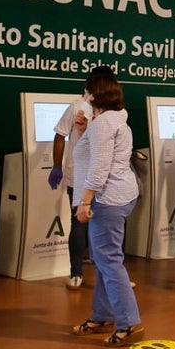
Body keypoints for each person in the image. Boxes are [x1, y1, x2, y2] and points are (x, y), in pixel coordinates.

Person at [70, 72, 143, 346]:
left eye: (86, 92)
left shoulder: (102, 125)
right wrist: (82, 131)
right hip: (121, 196)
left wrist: (86, 201)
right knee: (103, 260)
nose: (84, 97)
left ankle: (129, 323)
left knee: (109, 262)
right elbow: (95, 156)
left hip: (106, 200)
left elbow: (99, 168)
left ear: (93, 94)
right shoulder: (112, 119)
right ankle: (103, 314)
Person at [49, 65, 115, 290]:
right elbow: (60, 134)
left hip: (105, 177)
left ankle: (110, 274)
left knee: (106, 226)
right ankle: (76, 272)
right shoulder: (78, 106)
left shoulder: (112, 111)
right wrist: (57, 166)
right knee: (79, 225)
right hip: (79, 176)